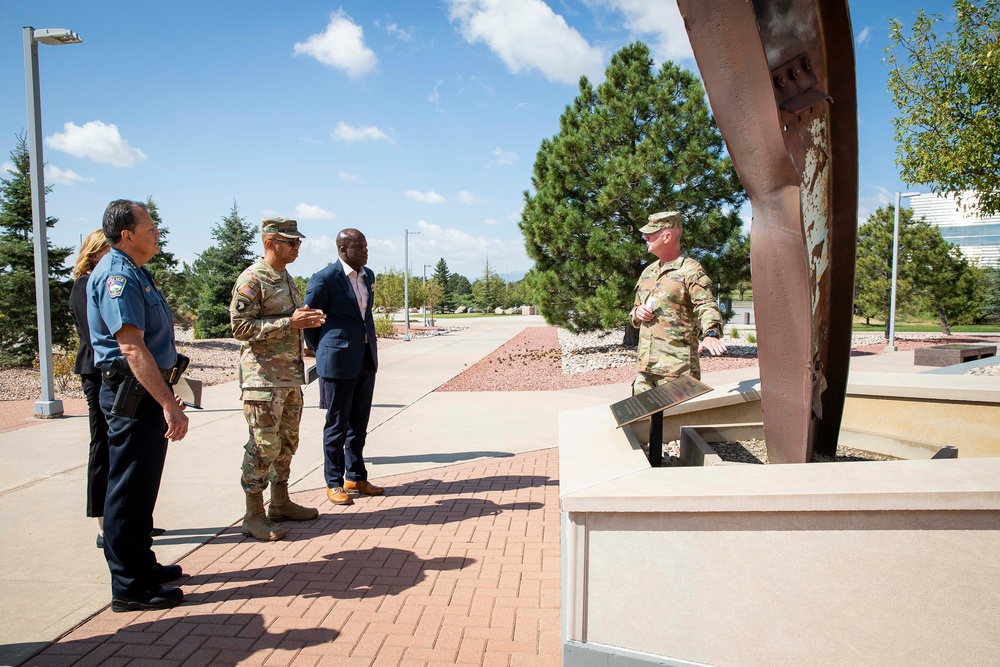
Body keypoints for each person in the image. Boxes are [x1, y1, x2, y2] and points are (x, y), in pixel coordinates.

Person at [88, 199, 189, 612]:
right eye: (150, 229)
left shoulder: (134, 272)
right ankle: (129, 586)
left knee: (141, 486)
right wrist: (167, 402)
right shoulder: (118, 276)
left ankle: (141, 564)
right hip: (134, 394)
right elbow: (131, 347)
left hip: (145, 391)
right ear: (127, 235)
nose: (157, 234)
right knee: (128, 489)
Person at [230, 218, 326, 541]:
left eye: (299, 242)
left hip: (288, 379)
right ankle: (253, 514)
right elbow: (240, 328)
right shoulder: (252, 279)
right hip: (262, 381)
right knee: (263, 445)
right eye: (291, 242)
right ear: (270, 243)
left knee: (287, 443)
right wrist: (288, 323)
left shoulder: (285, 277)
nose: (297, 247)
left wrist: (302, 323)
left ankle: (280, 502)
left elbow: (289, 323)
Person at [304, 228, 382, 506]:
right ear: (343, 250)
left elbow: (365, 316)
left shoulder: (368, 275)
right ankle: (334, 482)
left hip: (364, 359)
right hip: (337, 363)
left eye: (366, 245)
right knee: (336, 425)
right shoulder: (324, 279)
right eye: (359, 246)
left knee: (359, 423)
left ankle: (356, 476)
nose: (365, 250)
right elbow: (309, 323)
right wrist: (325, 350)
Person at [628, 211, 728, 394]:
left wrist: (711, 333)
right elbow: (634, 312)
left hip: (676, 372)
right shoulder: (648, 272)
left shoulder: (690, 270)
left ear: (667, 236)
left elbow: (706, 305)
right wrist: (637, 313)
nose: (645, 237)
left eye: (651, 233)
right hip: (646, 370)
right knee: (640, 422)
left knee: (675, 422)